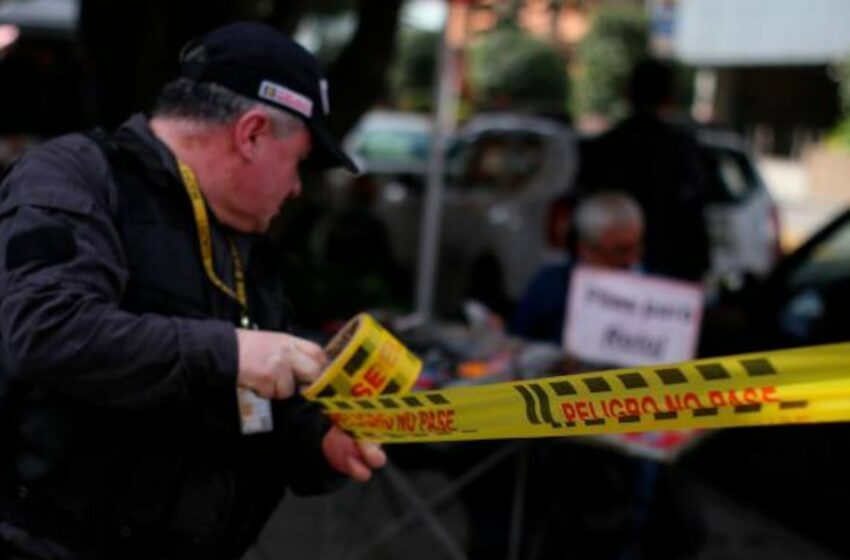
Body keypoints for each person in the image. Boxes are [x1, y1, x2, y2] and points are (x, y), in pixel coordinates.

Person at [0, 22, 386, 560]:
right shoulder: (78, 176)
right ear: (251, 133)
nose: (298, 187)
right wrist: (230, 351)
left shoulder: (244, 237)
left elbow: (248, 398)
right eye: (299, 161)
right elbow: (45, 331)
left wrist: (318, 440)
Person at [579, 58, 710, 282]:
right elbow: (694, 214)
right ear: (670, 97)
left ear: (628, 93)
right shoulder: (683, 149)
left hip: (608, 276)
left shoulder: (605, 147)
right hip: (670, 272)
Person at [511, 190, 644, 345]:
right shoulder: (549, 287)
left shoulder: (660, 291)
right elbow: (517, 344)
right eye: (620, 251)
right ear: (585, 250)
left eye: (636, 247)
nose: (632, 259)